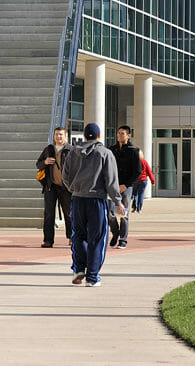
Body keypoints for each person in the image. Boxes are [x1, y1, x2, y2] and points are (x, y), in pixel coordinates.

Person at [62, 122, 125, 287]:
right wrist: (117, 201)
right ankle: (92, 276)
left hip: (77, 199)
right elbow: (111, 180)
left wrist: (74, 188)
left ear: (84, 136)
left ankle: (78, 269)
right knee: (97, 238)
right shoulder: (105, 153)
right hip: (96, 200)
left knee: (78, 235)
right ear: (99, 136)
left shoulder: (73, 152)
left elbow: (65, 176)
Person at [35, 126, 73, 247]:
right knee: (49, 214)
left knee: (69, 214)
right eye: (56, 134)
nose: (58, 137)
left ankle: (72, 238)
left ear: (66, 136)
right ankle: (48, 240)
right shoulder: (48, 149)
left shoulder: (71, 150)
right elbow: (38, 164)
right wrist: (45, 162)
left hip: (66, 188)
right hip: (51, 187)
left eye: (61, 134)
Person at [108, 125, 141, 248]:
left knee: (123, 213)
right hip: (112, 186)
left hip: (126, 187)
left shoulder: (133, 151)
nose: (120, 135)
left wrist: (126, 185)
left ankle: (123, 239)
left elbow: (137, 172)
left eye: (122, 133)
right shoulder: (111, 150)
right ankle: (115, 233)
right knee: (110, 213)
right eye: (118, 133)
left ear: (128, 135)